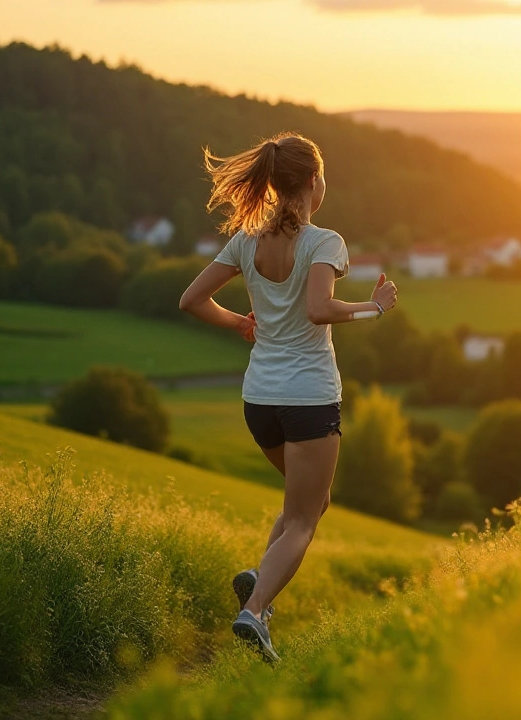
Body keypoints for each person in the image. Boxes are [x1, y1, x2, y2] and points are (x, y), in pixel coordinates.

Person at [179, 132, 397, 662]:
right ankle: (255, 609)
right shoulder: (325, 242)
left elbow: (191, 299)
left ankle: (260, 576)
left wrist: (238, 323)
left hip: (260, 400)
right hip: (309, 399)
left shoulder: (247, 241)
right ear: (313, 182)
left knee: (308, 503)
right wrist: (375, 309)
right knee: (304, 518)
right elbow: (320, 310)